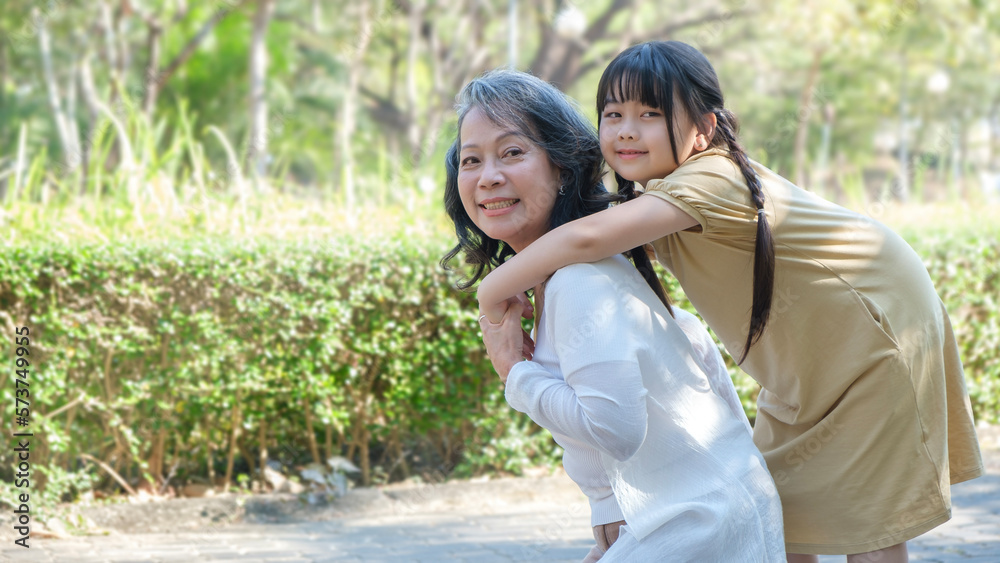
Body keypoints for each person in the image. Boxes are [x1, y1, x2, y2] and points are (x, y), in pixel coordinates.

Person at [473, 41, 985, 562]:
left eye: (650, 114)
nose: (627, 129)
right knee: (787, 512)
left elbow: (584, 240)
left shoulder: (711, 175)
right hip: (802, 368)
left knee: (868, 524)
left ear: (706, 128)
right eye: (613, 114)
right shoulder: (658, 194)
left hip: (874, 332)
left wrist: (492, 291)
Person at [442, 68, 785, 562]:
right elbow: (692, 343)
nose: (489, 175)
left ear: (562, 168)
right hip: (704, 517)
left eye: (512, 152)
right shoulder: (568, 275)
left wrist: (514, 373)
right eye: (471, 160)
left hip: (700, 527)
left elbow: (614, 430)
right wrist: (609, 507)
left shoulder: (577, 281)